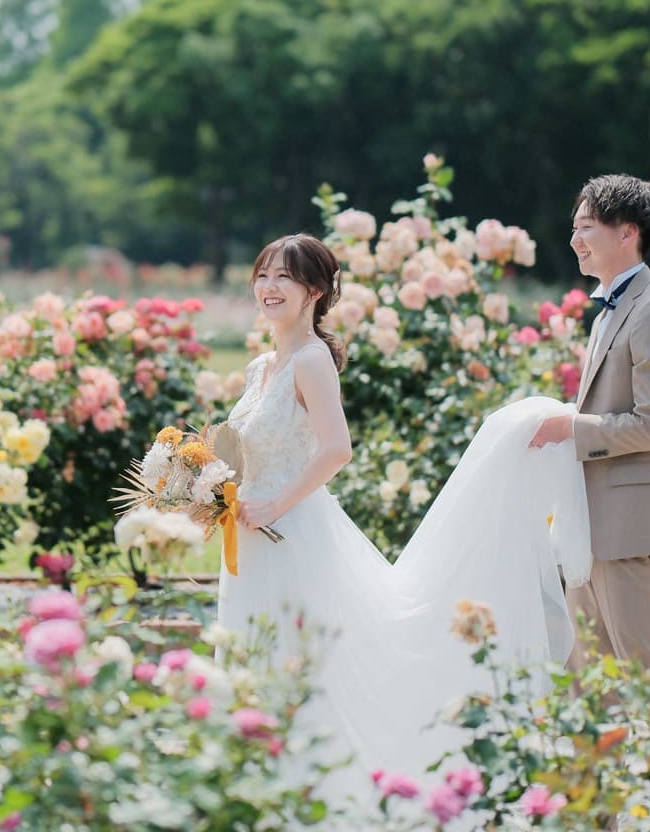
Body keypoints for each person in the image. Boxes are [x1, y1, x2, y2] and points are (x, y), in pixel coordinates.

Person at [216, 233, 590, 811]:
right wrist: (204, 487)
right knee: (255, 657)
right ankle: (259, 790)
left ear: (314, 291)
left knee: (307, 662)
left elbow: (336, 450)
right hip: (248, 536)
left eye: (283, 278)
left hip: (294, 534)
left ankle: (322, 798)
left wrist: (275, 505)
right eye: (263, 275)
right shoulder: (262, 365)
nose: (269, 287)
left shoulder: (312, 361)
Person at [527, 174, 650, 701]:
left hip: (633, 532)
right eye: (574, 228)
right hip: (589, 528)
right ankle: (593, 785)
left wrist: (570, 429)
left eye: (587, 228)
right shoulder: (610, 308)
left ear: (628, 233)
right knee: (587, 683)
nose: (576, 240)